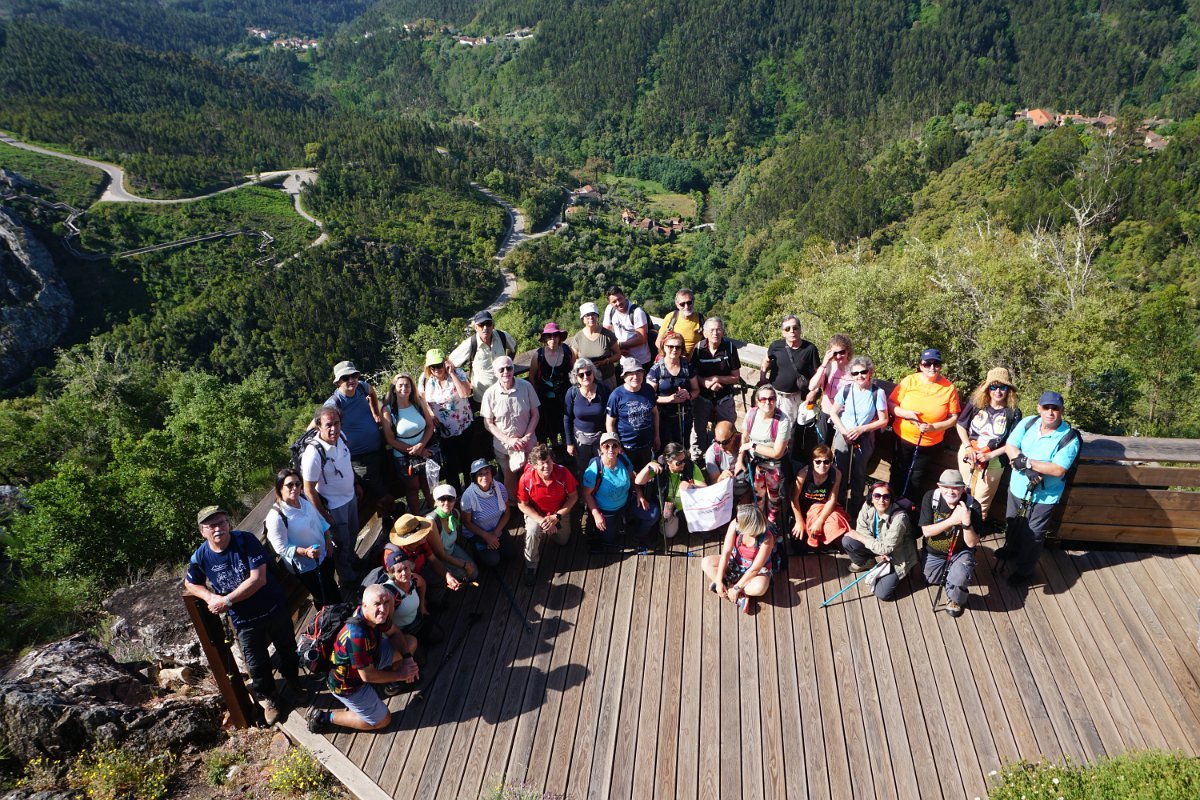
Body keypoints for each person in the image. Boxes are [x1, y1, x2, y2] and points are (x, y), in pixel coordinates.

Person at [185, 506, 303, 726]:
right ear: (202, 532)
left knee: (287, 646)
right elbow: (190, 582)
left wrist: (226, 601)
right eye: (211, 526)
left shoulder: (245, 541)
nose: (218, 528)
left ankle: (294, 680)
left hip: (272, 606)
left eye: (221, 522)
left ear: (227, 523)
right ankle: (270, 698)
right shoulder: (201, 556)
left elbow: (258, 579)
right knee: (256, 663)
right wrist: (210, 597)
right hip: (244, 619)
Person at [306, 584, 420, 734]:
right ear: (364, 605)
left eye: (386, 602)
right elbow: (368, 676)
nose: (383, 609)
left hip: (370, 658)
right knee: (383, 720)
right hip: (348, 684)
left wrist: (407, 659)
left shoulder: (375, 615)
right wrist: (401, 674)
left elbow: (395, 633)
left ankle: (391, 683)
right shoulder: (356, 635)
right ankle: (325, 717)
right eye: (377, 604)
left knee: (410, 643)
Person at [999, 391, 1081, 587]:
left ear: (1062, 410)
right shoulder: (1028, 422)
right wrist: (1027, 468)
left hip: (1045, 495)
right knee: (1013, 521)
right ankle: (1011, 549)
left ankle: (1024, 570)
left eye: (1055, 408)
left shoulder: (1069, 438)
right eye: (1046, 407)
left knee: (1034, 534)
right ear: (1039, 408)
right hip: (1017, 486)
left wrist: (1027, 463)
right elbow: (1011, 445)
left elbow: (1058, 469)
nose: (1050, 412)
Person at [888, 347, 961, 506]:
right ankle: (889, 505)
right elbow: (891, 403)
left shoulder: (949, 388)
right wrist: (906, 413)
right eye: (927, 364)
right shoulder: (909, 380)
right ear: (921, 365)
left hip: (929, 444)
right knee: (897, 472)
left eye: (936, 364)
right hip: (902, 437)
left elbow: (953, 418)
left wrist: (934, 427)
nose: (932, 368)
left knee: (917, 478)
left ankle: (908, 509)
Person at [301, 406, 359, 586]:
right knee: (341, 543)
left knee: (353, 533)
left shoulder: (341, 438)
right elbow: (308, 489)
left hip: (350, 497)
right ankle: (347, 578)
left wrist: (356, 484)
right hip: (334, 506)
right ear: (318, 426)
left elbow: (347, 464)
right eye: (328, 425)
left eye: (337, 423)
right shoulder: (313, 454)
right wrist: (324, 516)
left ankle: (352, 561)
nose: (334, 429)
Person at [265, 468, 338, 610]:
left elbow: (319, 520)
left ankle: (342, 613)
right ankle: (330, 620)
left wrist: (328, 540)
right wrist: (305, 552)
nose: (295, 488)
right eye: (289, 485)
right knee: (323, 598)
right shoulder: (276, 517)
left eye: (298, 484)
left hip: (325, 554)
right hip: (307, 567)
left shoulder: (303, 498)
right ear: (280, 487)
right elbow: (281, 548)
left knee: (332, 587)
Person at [955, 367, 1022, 519]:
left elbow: (1013, 442)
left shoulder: (1013, 413)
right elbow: (961, 425)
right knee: (962, 492)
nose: (997, 391)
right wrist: (967, 447)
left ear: (1008, 390)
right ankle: (957, 525)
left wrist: (990, 455)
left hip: (994, 462)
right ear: (987, 388)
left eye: (1002, 387)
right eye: (993, 387)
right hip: (968, 455)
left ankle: (975, 528)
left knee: (981, 501)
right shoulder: (976, 403)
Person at [828, 356, 890, 519]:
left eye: (863, 372)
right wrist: (844, 432)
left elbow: (884, 420)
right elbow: (833, 412)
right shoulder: (846, 390)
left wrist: (862, 429)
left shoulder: (878, 393)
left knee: (859, 473)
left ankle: (856, 512)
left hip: (864, 437)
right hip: (844, 434)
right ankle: (838, 507)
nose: (859, 376)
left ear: (870, 372)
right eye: (855, 373)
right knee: (840, 471)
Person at [324, 361, 388, 514]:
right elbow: (316, 424)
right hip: (359, 459)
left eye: (354, 375)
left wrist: (375, 413)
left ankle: (387, 519)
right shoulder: (334, 403)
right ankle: (394, 518)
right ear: (338, 383)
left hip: (378, 450)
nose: (351, 380)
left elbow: (371, 392)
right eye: (345, 378)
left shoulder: (361, 387)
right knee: (382, 496)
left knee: (387, 487)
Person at [919, 469, 984, 617]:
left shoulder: (973, 506)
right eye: (946, 487)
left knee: (960, 577)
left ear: (963, 488)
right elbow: (926, 531)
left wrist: (966, 523)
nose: (950, 491)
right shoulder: (931, 498)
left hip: (960, 552)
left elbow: (972, 543)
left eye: (955, 488)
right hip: (934, 552)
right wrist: (952, 521)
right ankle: (952, 575)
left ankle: (955, 599)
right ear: (939, 486)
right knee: (930, 579)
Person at [841, 482, 917, 601]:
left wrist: (864, 540)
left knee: (882, 593)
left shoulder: (899, 518)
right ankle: (867, 562)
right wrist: (879, 548)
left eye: (886, 497)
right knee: (848, 541)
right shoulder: (868, 505)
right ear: (871, 497)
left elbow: (887, 548)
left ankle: (901, 573)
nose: (881, 500)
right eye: (877, 496)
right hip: (880, 545)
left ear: (891, 499)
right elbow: (861, 528)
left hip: (898, 555)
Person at [516, 444, 579, 585]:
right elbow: (522, 504)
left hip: (558, 512)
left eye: (549, 461)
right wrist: (542, 521)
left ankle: (554, 529)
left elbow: (573, 496)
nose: (547, 466)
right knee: (532, 532)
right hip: (537, 513)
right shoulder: (526, 479)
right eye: (542, 463)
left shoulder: (563, 473)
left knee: (563, 541)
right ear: (534, 466)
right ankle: (531, 565)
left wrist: (557, 517)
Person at [481, 355, 540, 502]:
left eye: (509, 368)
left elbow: (535, 414)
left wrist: (526, 437)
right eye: (501, 369)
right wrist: (508, 440)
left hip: (528, 444)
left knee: (533, 477)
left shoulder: (526, 387)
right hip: (505, 447)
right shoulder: (490, 394)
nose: (506, 372)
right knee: (510, 482)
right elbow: (488, 423)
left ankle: (533, 504)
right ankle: (514, 506)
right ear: (495, 373)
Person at [759, 315, 821, 455]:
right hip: (772, 395)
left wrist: (814, 391)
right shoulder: (776, 346)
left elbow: (818, 373)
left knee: (787, 431)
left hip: (792, 398)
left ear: (800, 330)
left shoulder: (810, 349)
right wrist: (762, 377)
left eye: (795, 328)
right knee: (768, 425)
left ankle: (783, 458)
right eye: (787, 329)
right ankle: (767, 455)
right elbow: (767, 360)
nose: (792, 331)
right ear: (783, 332)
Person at [701, 504, 776, 614]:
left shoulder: (767, 538)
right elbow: (726, 552)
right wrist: (719, 580)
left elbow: (755, 569)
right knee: (706, 563)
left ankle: (729, 587)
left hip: (755, 571)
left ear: (748, 525)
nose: (736, 521)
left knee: (760, 588)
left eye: (739, 520)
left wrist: (736, 588)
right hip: (735, 562)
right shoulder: (735, 524)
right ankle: (737, 593)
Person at [381, 372, 438, 515]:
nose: (404, 388)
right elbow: (390, 440)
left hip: (424, 449)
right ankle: (417, 518)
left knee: (427, 483)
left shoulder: (418, 403)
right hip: (403, 456)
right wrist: (417, 450)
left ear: (412, 388)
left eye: (407, 385)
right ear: (394, 389)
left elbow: (430, 426)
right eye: (400, 385)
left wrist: (421, 446)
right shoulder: (388, 410)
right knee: (412, 488)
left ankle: (434, 512)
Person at [581, 433, 649, 550]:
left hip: (626, 503)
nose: (611, 449)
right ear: (601, 448)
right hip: (606, 510)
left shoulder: (623, 460)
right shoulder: (595, 469)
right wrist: (596, 514)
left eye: (614, 446)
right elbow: (586, 494)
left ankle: (633, 529)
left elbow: (632, 478)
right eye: (606, 446)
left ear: (619, 448)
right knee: (609, 539)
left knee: (652, 514)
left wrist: (639, 493)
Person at [737, 385, 792, 529]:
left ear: (776, 400)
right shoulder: (751, 414)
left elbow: (777, 452)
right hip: (756, 463)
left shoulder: (783, 421)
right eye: (763, 399)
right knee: (758, 494)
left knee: (774, 496)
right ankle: (760, 521)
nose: (768, 402)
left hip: (774, 465)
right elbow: (744, 437)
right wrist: (739, 459)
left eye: (771, 398)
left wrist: (753, 446)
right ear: (757, 401)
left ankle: (772, 523)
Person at [417, 348, 474, 489]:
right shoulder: (425, 380)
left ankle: (472, 493)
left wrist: (452, 373)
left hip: (464, 427)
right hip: (443, 431)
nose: (437, 369)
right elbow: (422, 400)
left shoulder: (457, 373)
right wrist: (430, 414)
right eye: (433, 367)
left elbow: (465, 393)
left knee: (468, 463)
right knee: (450, 467)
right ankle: (454, 497)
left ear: (445, 362)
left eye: (439, 365)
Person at [636, 442, 707, 541]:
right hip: (667, 506)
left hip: (688, 505)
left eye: (684, 460)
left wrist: (692, 486)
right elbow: (638, 481)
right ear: (668, 462)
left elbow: (705, 488)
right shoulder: (660, 467)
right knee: (669, 533)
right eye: (679, 462)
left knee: (705, 531)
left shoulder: (690, 466)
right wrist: (648, 466)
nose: (683, 464)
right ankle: (670, 519)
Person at [691, 316, 742, 453]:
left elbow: (735, 377)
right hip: (703, 397)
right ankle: (698, 457)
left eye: (719, 329)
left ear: (723, 331)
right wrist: (706, 383)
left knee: (726, 431)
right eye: (712, 330)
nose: (715, 333)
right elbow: (693, 374)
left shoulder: (730, 348)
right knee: (698, 430)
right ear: (705, 333)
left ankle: (726, 456)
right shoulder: (699, 349)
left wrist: (717, 378)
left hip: (724, 397)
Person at [790, 444, 851, 549]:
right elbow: (793, 498)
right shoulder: (804, 473)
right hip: (804, 507)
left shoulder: (836, 474)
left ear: (831, 463)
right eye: (818, 461)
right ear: (812, 462)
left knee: (834, 525)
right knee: (798, 542)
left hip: (825, 507)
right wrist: (799, 521)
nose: (822, 465)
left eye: (826, 462)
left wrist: (820, 521)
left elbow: (832, 500)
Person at [448, 310, 518, 403]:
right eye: (481, 325)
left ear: (493, 325)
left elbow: (514, 346)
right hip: (484, 396)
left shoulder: (502, 336)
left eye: (488, 324)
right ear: (476, 327)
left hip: (505, 390)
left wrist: (508, 362)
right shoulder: (470, 344)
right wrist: (463, 381)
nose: (485, 328)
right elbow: (450, 362)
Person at [606, 356, 660, 470]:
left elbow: (655, 413)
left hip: (646, 445)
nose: (635, 377)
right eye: (631, 373)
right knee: (628, 476)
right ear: (624, 377)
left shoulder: (648, 390)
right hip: (625, 448)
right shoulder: (616, 395)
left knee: (646, 475)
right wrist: (616, 445)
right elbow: (610, 423)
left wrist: (657, 436)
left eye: (639, 372)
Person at [459, 459, 514, 569]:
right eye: (480, 474)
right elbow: (466, 522)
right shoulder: (468, 496)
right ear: (474, 477)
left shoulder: (500, 488)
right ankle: (476, 549)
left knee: (511, 554)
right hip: (477, 534)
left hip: (496, 529)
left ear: (491, 473)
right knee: (493, 560)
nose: (484, 477)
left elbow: (507, 513)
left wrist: (495, 533)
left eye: (487, 472)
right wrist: (486, 536)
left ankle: (494, 545)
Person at [647, 332, 699, 448]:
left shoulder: (687, 367)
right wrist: (669, 399)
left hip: (684, 416)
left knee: (683, 447)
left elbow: (696, 390)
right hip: (662, 417)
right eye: (670, 346)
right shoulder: (656, 370)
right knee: (665, 448)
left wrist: (689, 395)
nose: (674, 350)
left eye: (678, 347)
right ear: (664, 347)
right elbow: (648, 397)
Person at [527, 322, 575, 445]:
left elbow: (575, 371)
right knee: (550, 425)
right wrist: (535, 395)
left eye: (555, 335)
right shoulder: (539, 355)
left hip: (566, 396)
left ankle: (568, 446)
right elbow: (532, 376)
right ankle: (555, 447)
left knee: (566, 422)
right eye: (549, 336)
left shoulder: (567, 351)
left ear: (560, 337)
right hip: (545, 399)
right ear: (544, 338)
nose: (552, 339)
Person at [563, 357, 611, 476]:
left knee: (604, 469)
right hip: (581, 441)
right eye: (581, 375)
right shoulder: (572, 393)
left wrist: (611, 437)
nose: (585, 377)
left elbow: (612, 415)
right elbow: (567, 419)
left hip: (601, 439)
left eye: (588, 373)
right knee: (584, 470)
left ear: (593, 373)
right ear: (576, 377)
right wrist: (569, 443)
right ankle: (585, 489)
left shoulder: (604, 390)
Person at [425, 483, 479, 586]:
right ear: (436, 501)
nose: (446, 503)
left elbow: (458, 539)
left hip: (452, 549)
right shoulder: (432, 522)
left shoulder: (455, 514)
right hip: (438, 559)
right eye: (442, 499)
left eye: (450, 499)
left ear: (454, 500)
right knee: (469, 573)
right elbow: (440, 555)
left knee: (474, 572)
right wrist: (464, 564)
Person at [808, 334, 854, 447]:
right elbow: (812, 386)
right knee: (822, 449)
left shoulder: (855, 370)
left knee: (842, 449)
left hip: (845, 417)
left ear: (848, 351)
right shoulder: (828, 367)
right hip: (826, 414)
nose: (838, 356)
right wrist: (824, 363)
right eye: (835, 353)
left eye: (842, 352)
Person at [381, 557, 437, 644]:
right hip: (402, 631)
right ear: (392, 574)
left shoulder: (412, 578)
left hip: (415, 621)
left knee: (437, 635)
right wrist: (396, 636)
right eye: (399, 571)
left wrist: (422, 606)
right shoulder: (390, 593)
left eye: (406, 568)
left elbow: (423, 584)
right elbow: (385, 621)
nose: (404, 573)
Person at [570, 302, 621, 387]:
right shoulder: (578, 338)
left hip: (607, 379)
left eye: (593, 314)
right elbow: (573, 361)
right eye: (587, 315)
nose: (591, 317)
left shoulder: (607, 335)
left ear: (597, 316)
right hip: (587, 382)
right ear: (583, 319)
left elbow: (618, 355)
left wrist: (605, 361)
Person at [602, 285, 653, 369]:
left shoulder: (637, 312)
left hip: (641, 360)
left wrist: (620, 345)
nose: (618, 303)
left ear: (624, 296)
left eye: (619, 299)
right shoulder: (610, 310)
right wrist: (618, 350)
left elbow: (642, 339)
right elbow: (605, 333)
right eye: (614, 301)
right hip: (623, 360)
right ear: (609, 303)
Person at [654, 288, 704, 359]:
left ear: (693, 302)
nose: (686, 306)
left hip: (695, 360)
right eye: (682, 304)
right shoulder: (671, 318)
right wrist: (675, 355)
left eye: (689, 303)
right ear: (677, 305)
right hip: (674, 359)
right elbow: (659, 342)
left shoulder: (701, 319)